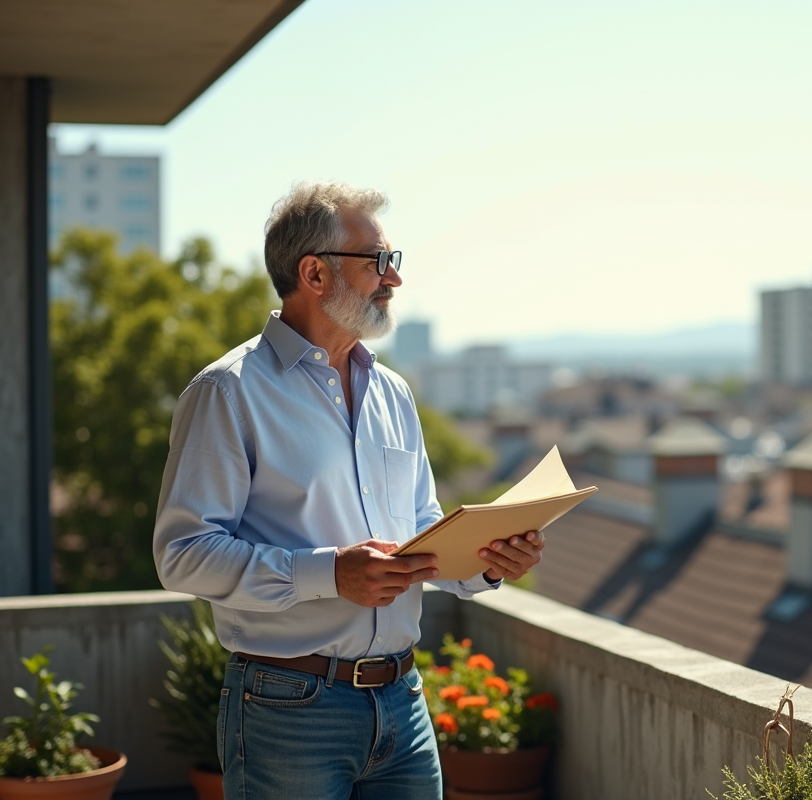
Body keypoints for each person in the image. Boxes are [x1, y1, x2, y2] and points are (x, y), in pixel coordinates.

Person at [152, 181, 543, 800]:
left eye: (394, 261)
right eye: (378, 261)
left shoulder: (393, 392)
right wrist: (329, 574)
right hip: (288, 707)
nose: (394, 279)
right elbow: (181, 555)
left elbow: (423, 531)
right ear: (313, 272)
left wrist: (486, 563)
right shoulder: (227, 392)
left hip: (405, 703)